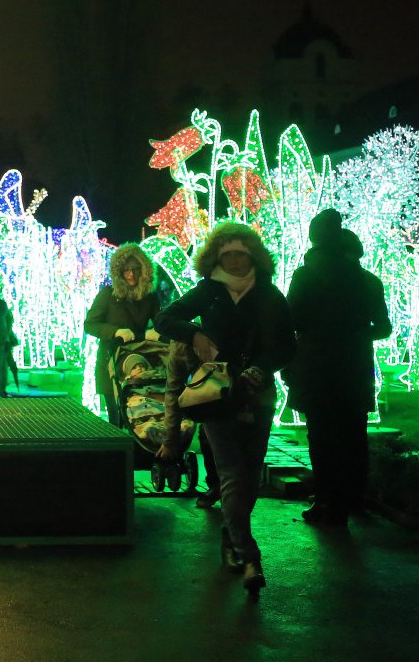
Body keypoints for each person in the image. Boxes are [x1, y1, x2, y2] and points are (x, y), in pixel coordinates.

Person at [156, 223, 295, 599]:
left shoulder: (270, 295)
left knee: (250, 473)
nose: (234, 261)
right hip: (216, 397)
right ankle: (251, 556)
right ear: (216, 258)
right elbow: (164, 317)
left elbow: (287, 345)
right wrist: (194, 334)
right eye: (227, 255)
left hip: (258, 396)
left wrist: (263, 367)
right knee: (233, 472)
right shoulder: (210, 292)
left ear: (253, 257)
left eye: (241, 255)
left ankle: (231, 536)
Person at [287, 210, 392, 525]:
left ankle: (327, 500)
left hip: (316, 367)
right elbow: (383, 327)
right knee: (353, 435)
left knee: (321, 436)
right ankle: (352, 498)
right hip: (354, 368)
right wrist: (358, 336)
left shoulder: (306, 276)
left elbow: (292, 319)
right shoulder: (367, 281)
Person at [85, 245, 162, 428]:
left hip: (139, 365)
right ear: (119, 271)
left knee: (140, 418)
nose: (131, 275)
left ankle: (137, 455)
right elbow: (90, 325)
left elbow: (162, 322)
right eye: (126, 270)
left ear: (143, 270)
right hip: (111, 363)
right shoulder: (108, 295)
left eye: (135, 269)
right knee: (116, 418)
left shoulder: (149, 297)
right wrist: (115, 331)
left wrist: (158, 330)